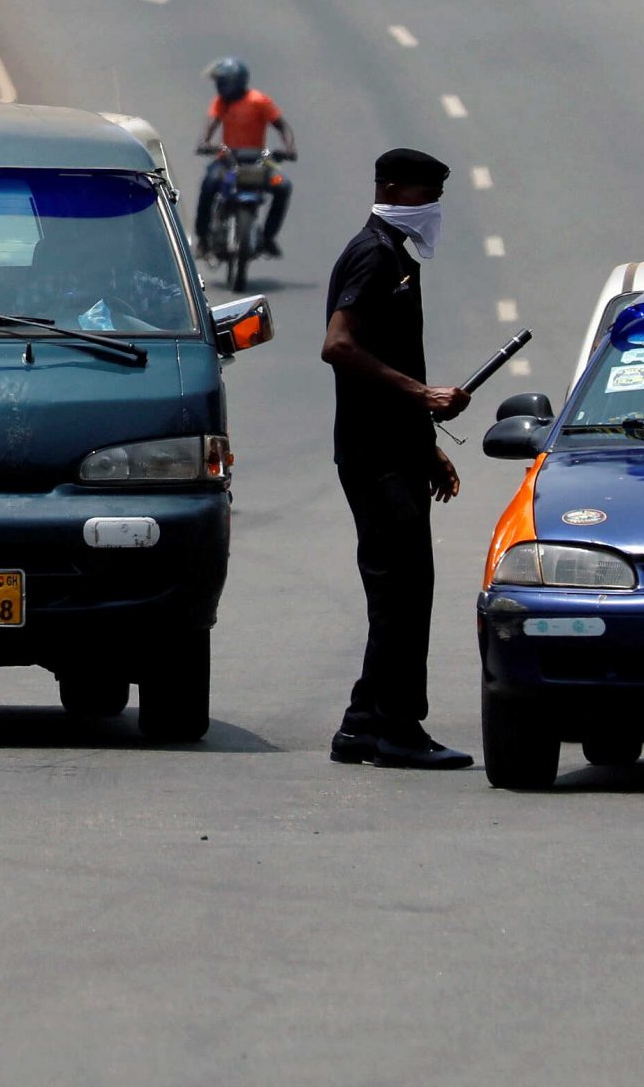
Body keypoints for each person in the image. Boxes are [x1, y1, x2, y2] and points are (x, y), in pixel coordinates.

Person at [321, 147, 474, 771]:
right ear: (390, 188)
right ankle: (398, 731)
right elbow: (338, 345)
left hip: (396, 448)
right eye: (424, 194)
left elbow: (393, 358)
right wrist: (423, 395)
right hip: (373, 455)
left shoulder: (397, 256)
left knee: (401, 589)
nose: (433, 207)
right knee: (403, 591)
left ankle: (361, 726)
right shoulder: (374, 253)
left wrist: (426, 442)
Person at [194, 57, 296, 259]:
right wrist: (205, 143)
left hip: (257, 162)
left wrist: (289, 148)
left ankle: (268, 238)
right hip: (228, 161)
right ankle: (203, 239)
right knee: (209, 184)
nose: (219, 86)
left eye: (222, 81)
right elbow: (211, 124)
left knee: (283, 186)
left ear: (234, 81)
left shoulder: (259, 101)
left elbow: (282, 126)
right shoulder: (221, 103)